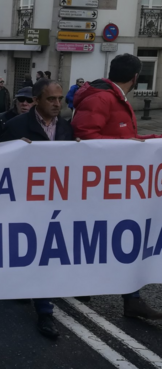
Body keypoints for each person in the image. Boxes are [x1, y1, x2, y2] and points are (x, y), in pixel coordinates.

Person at [0, 79, 72, 340]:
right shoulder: (15, 126)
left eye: (60, 99)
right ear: (37, 100)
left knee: (45, 255)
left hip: (52, 204)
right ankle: (17, 283)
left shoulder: (66, 129)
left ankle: (45, 310)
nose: (57, 104)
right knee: (21, 249)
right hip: (19, 203)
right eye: (51, 99)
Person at [71, 54, 162, 320]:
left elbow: (124, 139)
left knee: (116, 238)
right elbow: (85, 136)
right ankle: (91, 285)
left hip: (113, 183)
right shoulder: (103, 98)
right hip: (101, 184)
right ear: (136, 78)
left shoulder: (111, 96)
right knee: (101, 236)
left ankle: (129, 297)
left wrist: (153, 140)